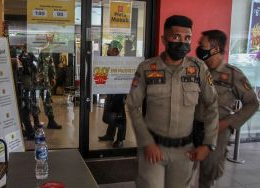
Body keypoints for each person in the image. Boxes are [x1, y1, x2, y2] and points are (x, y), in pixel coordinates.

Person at [127, 15, 219, 188]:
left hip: (185, 151)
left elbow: (211, 104)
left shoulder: (198, 68)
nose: (182, 43)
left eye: (188, 38)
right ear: (164, 39)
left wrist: (209, 143)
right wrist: (146, 142)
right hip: (153, 149)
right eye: (176, 37)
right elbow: (132, 105)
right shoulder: (147, 68)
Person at [195, 30, 259, 188]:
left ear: (215, 49)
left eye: (202, 45)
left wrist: (229, 123)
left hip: (217, 132)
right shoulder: (196, 70)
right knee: (182, 174)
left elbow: (253, 103)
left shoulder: (232, 75)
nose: (198, 48)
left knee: (208, 177)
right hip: (192, 130)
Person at [98, 40, 127, 148]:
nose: (107, 49)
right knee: (111, 113)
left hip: (119, 92)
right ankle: (109, 135)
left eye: (109, 47)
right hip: (112, 90)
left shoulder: (121, 62)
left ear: (115, 50)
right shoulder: (111, 61)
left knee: (119, 116)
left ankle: (120, 139)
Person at [35, 49, 62, 129]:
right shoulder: (31, 49)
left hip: (45, 81)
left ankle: (51, 121)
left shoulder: (47, 50)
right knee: (34, 101)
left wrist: (53, 77)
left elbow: (51, 64)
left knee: (47, 101)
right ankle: (36, 122)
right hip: (34, 82)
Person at [18, 44, 39, 139]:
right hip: (25, 84)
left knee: (30, 104)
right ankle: (30, 132)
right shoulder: (25, 56)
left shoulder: (28, 56)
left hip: (29, 83)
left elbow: (35, 68)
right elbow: (32, 68)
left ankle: (34, 127)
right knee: (25, 106)